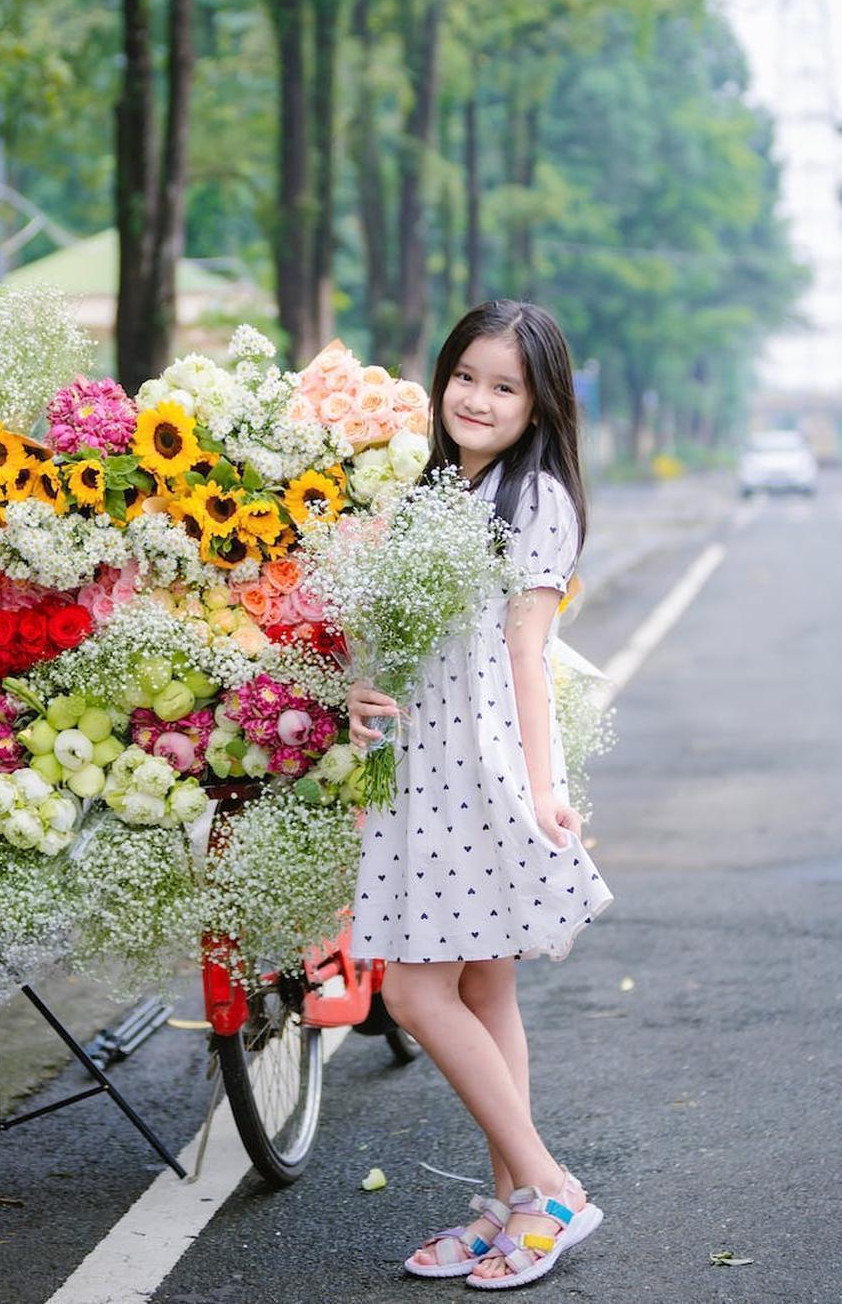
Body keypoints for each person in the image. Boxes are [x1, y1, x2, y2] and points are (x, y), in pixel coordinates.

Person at [347, 300, 613, 1290]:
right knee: (481, 987)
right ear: (441, 375)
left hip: (476, 768)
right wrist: (360, 687)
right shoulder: (434, 489)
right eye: (467, 375)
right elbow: (405, 634)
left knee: (414, 991)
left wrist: (544, 792)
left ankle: (551, 1190)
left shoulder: (532, 496)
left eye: (505, 386)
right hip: (416, 760)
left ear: (538, 403)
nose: (479, 398)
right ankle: (511, 1212)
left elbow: (527, 653)